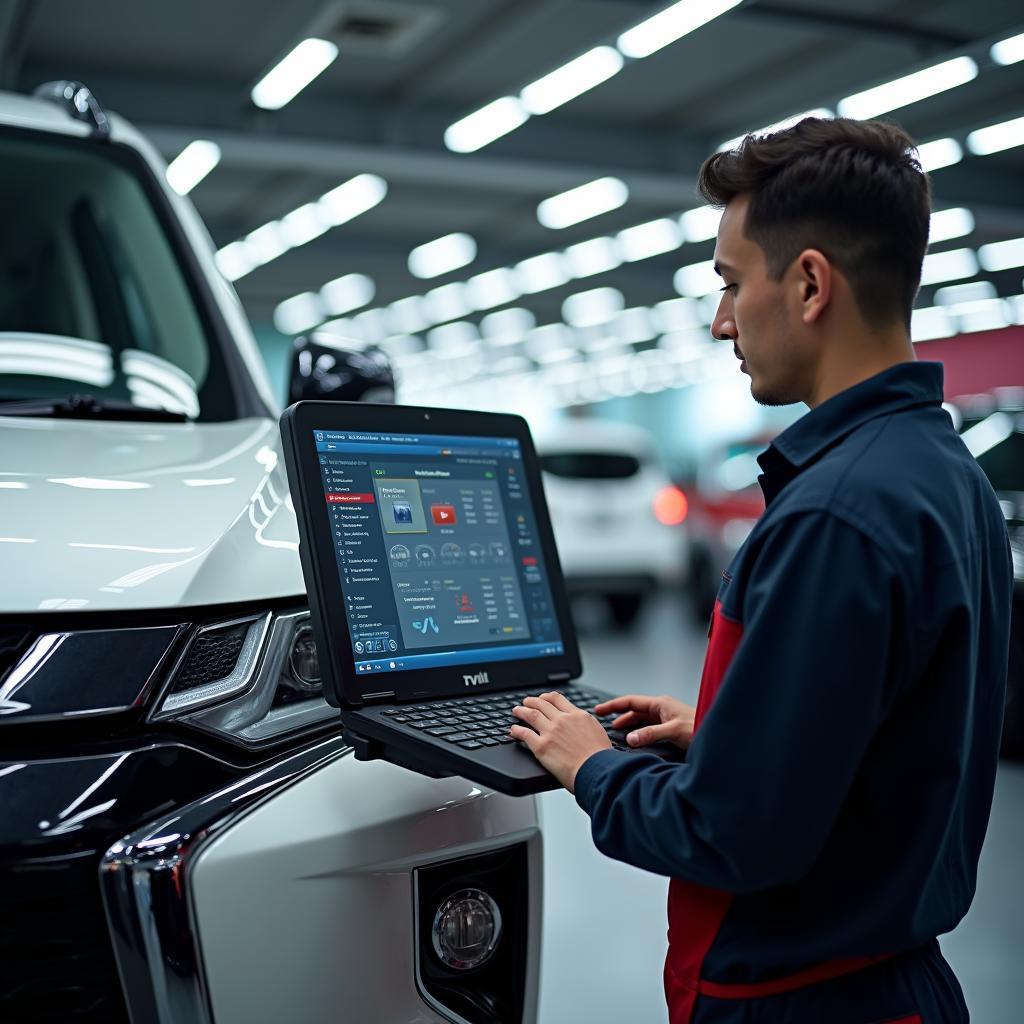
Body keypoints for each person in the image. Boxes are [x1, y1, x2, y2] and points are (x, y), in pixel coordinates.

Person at [510, 118, 1013, 1024]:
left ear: (812, 283)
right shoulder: (948, 475)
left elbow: (729, 837)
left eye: (733, 285)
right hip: (894, 982)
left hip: (804, 999)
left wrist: (593, 769)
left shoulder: (834, 512)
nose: (720, 321)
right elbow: (905, 735)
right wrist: (731, 737)